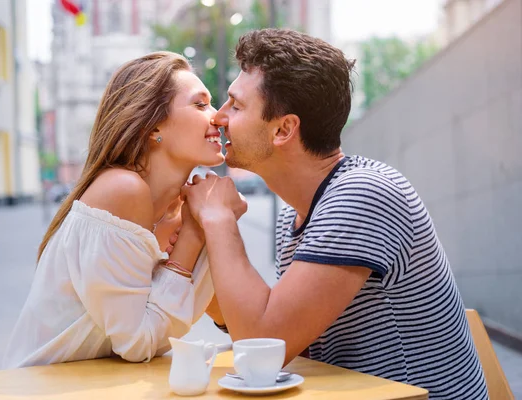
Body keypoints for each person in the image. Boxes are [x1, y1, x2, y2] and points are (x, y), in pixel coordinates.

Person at [181, 29, 488, 399]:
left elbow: (266, 345)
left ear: (284, 129)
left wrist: (219, 220)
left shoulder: (362, 194)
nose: (219, 117)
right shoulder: (298, 215)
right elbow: (297, 345)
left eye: (236, 105)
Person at [3, 51, 240, 368]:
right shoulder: (121, 190)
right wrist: (194, 235)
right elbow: (137, 344)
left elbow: (237, 323)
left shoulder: (183, 208)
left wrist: (218, 224)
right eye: (200, 104)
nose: (218, 117)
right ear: (153, 125)